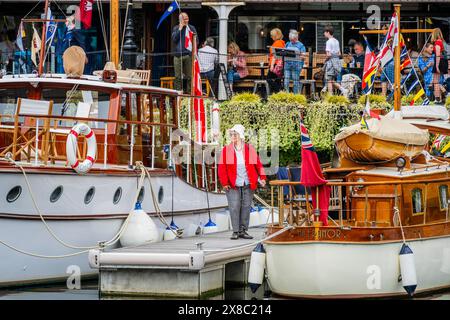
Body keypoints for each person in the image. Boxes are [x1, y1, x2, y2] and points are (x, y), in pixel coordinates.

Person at [218, 124, 267, 240]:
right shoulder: (227, 150)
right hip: (232, 184)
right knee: (234, 206)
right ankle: (235, 231)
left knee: (246, 207)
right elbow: (222, 168)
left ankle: (243, 230)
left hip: (248, 182)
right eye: (231, 134)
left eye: (235, 134)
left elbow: (258, 164)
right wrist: (225, 183)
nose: (233, 136)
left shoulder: (249, 149)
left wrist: (263, 177)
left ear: (241, 136)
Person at [171, 12, 198, 92]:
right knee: (178, 76)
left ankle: (190, 93)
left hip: (188, 55)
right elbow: (174, 40)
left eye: (187, 18)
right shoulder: (176, 28)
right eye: (185, 19)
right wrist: (180, 28)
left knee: (190, 76)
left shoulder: (191, 28)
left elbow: (196, 40)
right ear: (180, 20)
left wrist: (194, 52)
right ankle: (178, 93)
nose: (186, 20)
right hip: (177, 55)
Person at [323, 25, 348, 96]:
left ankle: (331, 95)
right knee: (331, 80)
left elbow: (329, 54)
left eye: (324, 32)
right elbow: (339, 53)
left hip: (331, 62)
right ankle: (342, 90)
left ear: (328, 32)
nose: (324, 34)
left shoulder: (328, 42)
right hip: (337, 62)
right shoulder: (336, 41)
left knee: (329, 80)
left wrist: (325, 60)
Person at [283, 29, 306, 94]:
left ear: (296, 38)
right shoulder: (287, 44)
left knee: (295, 82)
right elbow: (283, 53)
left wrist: (298, 56)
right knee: (286, 81)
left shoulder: (301, 46)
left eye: (292, 40)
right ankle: (286, 95)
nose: (291, 41)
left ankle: (296, 96)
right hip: (287, 66)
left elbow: (303, 57)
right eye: (290, 40)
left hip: (296, 67)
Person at [431, 28, 447, 104]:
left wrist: (436, 66)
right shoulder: (442, 41)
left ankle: (438, 99)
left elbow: (437, 54)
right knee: (437, 80)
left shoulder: (437, 42)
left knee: (435, 81)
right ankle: (439, 97)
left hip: (439, 61)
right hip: (442, 61)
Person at [267, 28, 285, 93]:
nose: (271, 37)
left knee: (268, 79)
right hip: (279, 65)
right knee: (278, 80)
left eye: (272, 35)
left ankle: (279, 91)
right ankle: (278, 95)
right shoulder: (281, 42)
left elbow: (275, 56)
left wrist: (272, 65)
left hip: (275, 64)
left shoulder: (277, 43)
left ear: (275, 35)